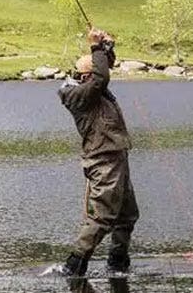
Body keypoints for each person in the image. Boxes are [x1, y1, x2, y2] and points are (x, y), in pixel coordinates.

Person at [57, 28, 139, 277]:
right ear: (85, 78)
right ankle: (74, 265)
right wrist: (95, 47)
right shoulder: (78, 95)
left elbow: (104, 69)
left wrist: (106, 47)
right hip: (103, 162)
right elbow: (101, 76)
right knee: (102, 217)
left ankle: (117, 264)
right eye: (92, 75)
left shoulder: (92, 87)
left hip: (116, 159)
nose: (98, 78)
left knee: (127, 216)